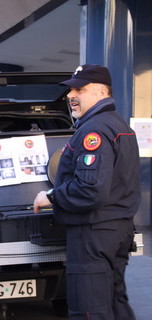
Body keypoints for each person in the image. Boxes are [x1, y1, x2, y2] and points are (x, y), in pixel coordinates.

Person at [33, 64, 141, 320]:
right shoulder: (118, 125)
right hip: (117, 230)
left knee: (90, 310)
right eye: (70, 89)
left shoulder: (94, 131)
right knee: (115, 304)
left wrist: (50, 197)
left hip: (94, 234)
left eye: (80, 89)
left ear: (102, 92)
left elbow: (90, 190)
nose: (71, 95)